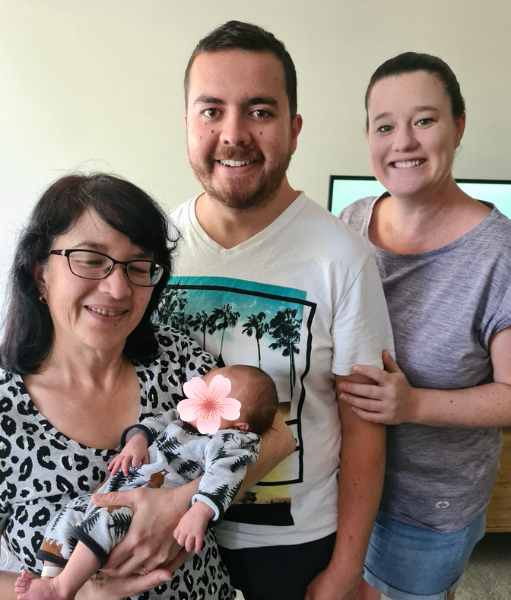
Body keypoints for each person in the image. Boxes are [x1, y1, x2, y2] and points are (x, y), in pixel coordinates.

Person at [159, 21, 395, 600]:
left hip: (293, 547)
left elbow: (365, 429)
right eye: (211, 110)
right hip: (168, 532)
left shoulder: (342, 256)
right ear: (187, 124)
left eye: (259, 111)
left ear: (293, 128)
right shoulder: (151, 248)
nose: (233, 134)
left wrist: (344, 571)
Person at [0, 173, 292, 600]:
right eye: (90, 259)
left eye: (138, 267)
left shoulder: (177, 360)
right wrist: (83, 592)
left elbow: (277, 435)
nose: (118, 288)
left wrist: (182, 504)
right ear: (39, 273)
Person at [334, 52, 511, 600]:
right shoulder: (348, 224)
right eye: (385, 126)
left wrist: (413, 406)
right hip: (338, 482)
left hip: (425, 507)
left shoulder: (501, 253)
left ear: (458, 126)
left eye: (424, 120)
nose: (403, 142)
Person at [16, 366, 278, 600]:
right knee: (72, 511)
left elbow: (225, 476)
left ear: (240, 425)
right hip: (116, 492)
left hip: (135, 512)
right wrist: (137, 441)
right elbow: (152, 424)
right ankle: (50, 578)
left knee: (105, 522)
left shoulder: (230, 441)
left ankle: (62, 589)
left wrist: (199, 510)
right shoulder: (182, 419)